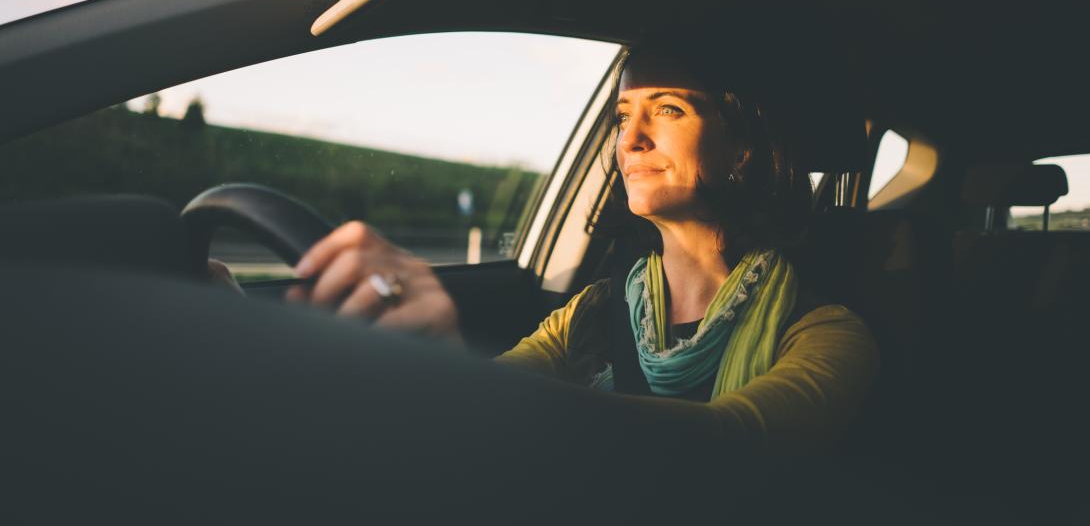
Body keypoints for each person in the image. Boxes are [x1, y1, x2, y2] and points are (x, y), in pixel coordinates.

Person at [287, 47, 879, 456]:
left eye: (668, 109)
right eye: (624, 115)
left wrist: (461, 383)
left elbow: (731, 443)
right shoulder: (595, 309)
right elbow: (493, 392)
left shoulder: (827, 333)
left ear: (742, 151)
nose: (630, 139)